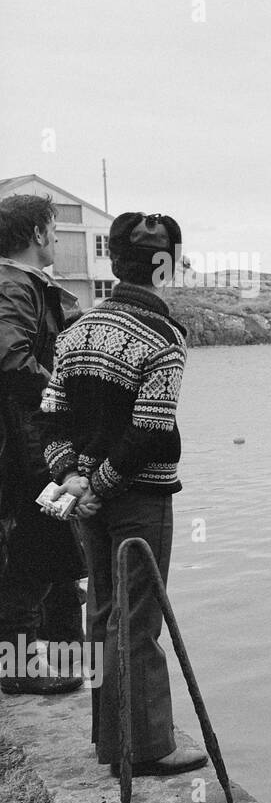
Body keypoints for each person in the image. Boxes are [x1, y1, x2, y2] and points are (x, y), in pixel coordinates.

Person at [40, 211, 207, 776]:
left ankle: (107, 737)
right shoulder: (164, 338)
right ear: (164, 267)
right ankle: (147, 748)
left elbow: (50, 417)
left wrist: (72, 480)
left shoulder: (74, 331)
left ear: (113, 261)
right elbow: (152, 428)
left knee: (102, 610)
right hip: (138, 497)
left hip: (84, 497)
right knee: (137, 619)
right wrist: (104, 486)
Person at [0, 193, 84, 695]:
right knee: (31, 553)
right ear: (36, 234)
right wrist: (60, 394)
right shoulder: (14, 286)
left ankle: (55, 659)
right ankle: (17, 670)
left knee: (47, 551)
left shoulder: (21, 284)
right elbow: (8, 356)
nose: (55, 237)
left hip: (25, 443)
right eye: (52, 228)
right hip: (26, 448)